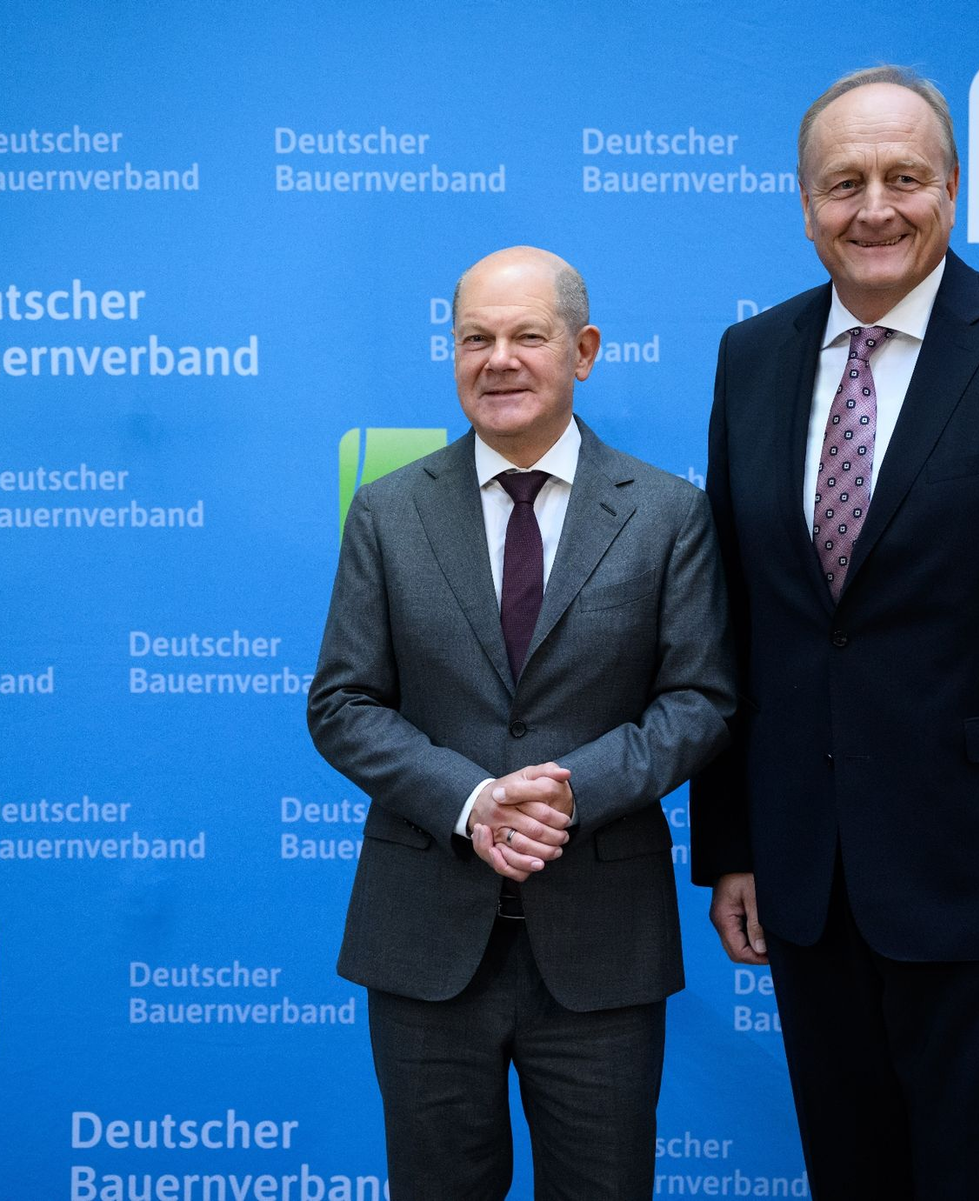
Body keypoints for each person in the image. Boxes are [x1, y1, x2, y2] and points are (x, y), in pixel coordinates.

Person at [690, 66, 979, 1200]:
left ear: (953, 190)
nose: (875, 208)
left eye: (905, 177)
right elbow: (735, 621)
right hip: (809, 885)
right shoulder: (751, 359)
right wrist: (734, 843)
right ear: (805, 208)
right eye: (843, 183)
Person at [308, 245, 735, 1200]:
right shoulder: (386, 512)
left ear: (582, 351)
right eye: (474, 338)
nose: (497, 359)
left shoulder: (669, 514)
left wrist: (565, 791)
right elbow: (341, 702)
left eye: (526, 336)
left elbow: (699, 701)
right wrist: (473, 799)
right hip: (424, 951)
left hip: (601, 952)